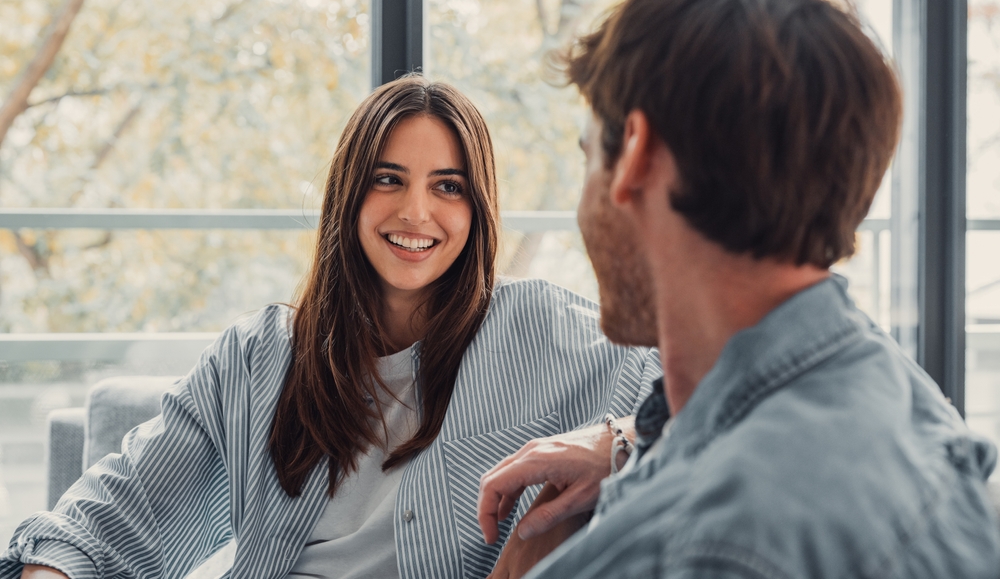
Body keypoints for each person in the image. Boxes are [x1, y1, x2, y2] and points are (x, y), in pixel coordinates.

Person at [0, 76, 660, 579]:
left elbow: (716, 395)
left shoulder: (545, 333)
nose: (416, 211)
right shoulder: (258, 357)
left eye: (448, 186)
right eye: (388, 179)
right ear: (350, 194)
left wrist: (622, 439)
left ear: (478, 206)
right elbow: (110, 521)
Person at [478, 0, 1000, 578]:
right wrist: (627, 451)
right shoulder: (907, 399)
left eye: (590, 153)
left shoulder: (691, 548)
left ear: (637, 153)